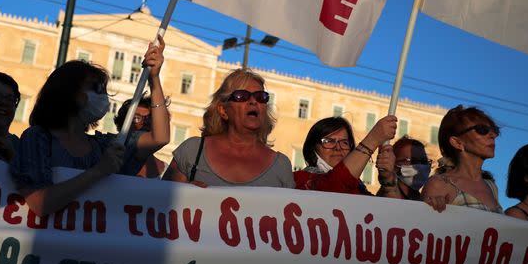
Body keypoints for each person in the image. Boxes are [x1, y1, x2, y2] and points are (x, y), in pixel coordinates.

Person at [12, 37, 168, 216]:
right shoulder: (37, 137)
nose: (103, 96)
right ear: (67, 91)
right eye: (95, 88)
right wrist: (99, 171)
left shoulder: (104, 145)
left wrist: (154, 79)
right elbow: (39, 204)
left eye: (103, 89)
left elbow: (160, 137)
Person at [162, 69, 294, 188]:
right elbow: (159, 201)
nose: (253, 101)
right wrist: (184, 192)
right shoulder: (192, 151)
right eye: (242, 96)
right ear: (223, 110)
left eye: (261, 97)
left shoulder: (281, 166)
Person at [422, 105, 503, 213]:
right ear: (457, 142)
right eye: (482, 129)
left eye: (494, 130)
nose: (492, 135)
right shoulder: (439, 184)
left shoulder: (492, 187)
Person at [295, 115, 397, 194]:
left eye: (344, 142)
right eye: (329, 141)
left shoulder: (359, 188)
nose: (338, 148)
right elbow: (333, 187)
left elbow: (387, 213)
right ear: (313, 147)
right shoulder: (297, 179)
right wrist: (373, 139)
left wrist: (388, 181)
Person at [114, 95, 168, 178]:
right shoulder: (109, 161)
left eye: (149, 118)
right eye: (136, 118)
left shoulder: (166, 172)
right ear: (122, 125)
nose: (144, 123)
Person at [376, 136, 431, 200]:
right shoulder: (386, 194)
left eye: (424, 161)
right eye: (414, 161)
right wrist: (387, 177)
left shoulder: (423, 199)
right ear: (394, 164)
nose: (420, 166)